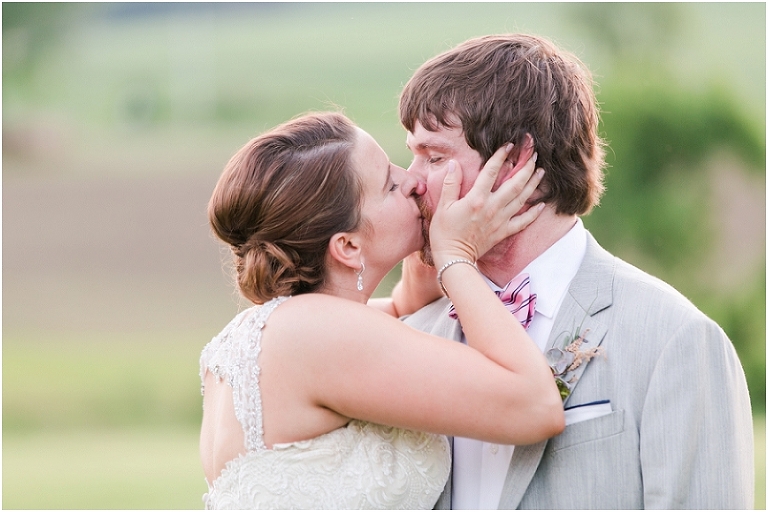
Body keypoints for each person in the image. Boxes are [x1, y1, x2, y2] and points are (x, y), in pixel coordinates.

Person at [396, 33, 755, 509]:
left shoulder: (676, 339)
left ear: (514, 161)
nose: (410, 180)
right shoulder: (412, 337)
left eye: (434, 156)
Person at [199, 111, 565, 509]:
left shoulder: (281, 328)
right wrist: (455, 256)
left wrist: (431, 245)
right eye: (390, 185)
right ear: (348, 247)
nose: (414, 182)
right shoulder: (318, 334)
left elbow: (402, 307)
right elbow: (536, 405)